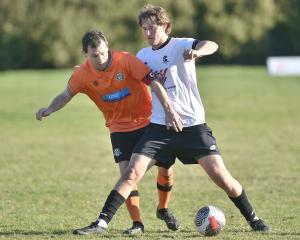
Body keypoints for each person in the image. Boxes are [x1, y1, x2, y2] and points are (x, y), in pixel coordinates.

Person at [73, 4, 270, 235]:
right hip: (158, 127)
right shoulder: (143, 56)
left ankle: (253, 218)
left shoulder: (181, 45)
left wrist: (198, 52)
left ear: (165, 26)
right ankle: (101, 223)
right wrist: (89, 70)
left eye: (152, 28)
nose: (147, 33)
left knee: (220, 176)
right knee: (131, 173)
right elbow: (122, 73)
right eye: (144, 28)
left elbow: (212, 44)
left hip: (192, 126)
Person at [36, 30, 182, 235]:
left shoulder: (126, 60)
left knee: (165, 167)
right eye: (94, 55)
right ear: (85, 53)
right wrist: (49, 108)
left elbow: (153, 82)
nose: (101, 59)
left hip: (148, 123)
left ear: (108, 47)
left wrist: (168, 111)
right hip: (118, 128)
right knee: (127, 175)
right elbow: (65, 95)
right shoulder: (82, 74)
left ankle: (163, 209)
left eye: (104, 53)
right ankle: (137, 224)